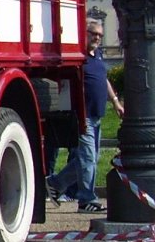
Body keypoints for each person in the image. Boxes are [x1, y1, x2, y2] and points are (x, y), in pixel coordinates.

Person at [48, 20, 124, 213]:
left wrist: (115, 101)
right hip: (83, 116)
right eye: (93, 34)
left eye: (99, 34)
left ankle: (54, 185)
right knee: (88, 158)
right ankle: (86, 200)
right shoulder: (78, 57)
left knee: (88, 158)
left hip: (97, 115)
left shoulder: (97, 55)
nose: (97, 37)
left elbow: (103, 80)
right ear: (84, 33)